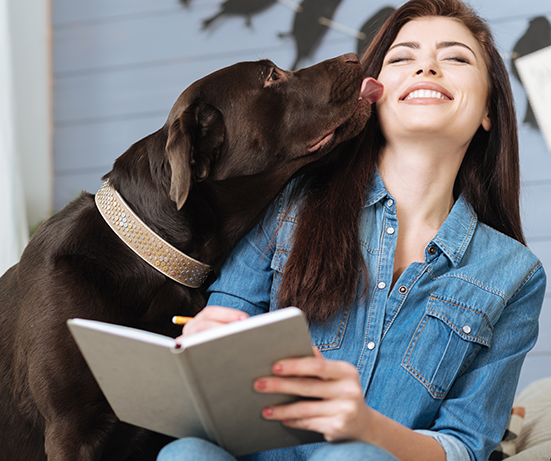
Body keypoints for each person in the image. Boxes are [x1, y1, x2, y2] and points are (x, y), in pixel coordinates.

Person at [156, 0, 547, 460]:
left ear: (487, 109)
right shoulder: (291, 203)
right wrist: (204, 341)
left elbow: (464, 446)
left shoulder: (514, 275)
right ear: (373, 95)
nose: (426, 66)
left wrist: (366, 427)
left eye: (456, 57)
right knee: (188, 453)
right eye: (403, 57)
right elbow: (218, 340)